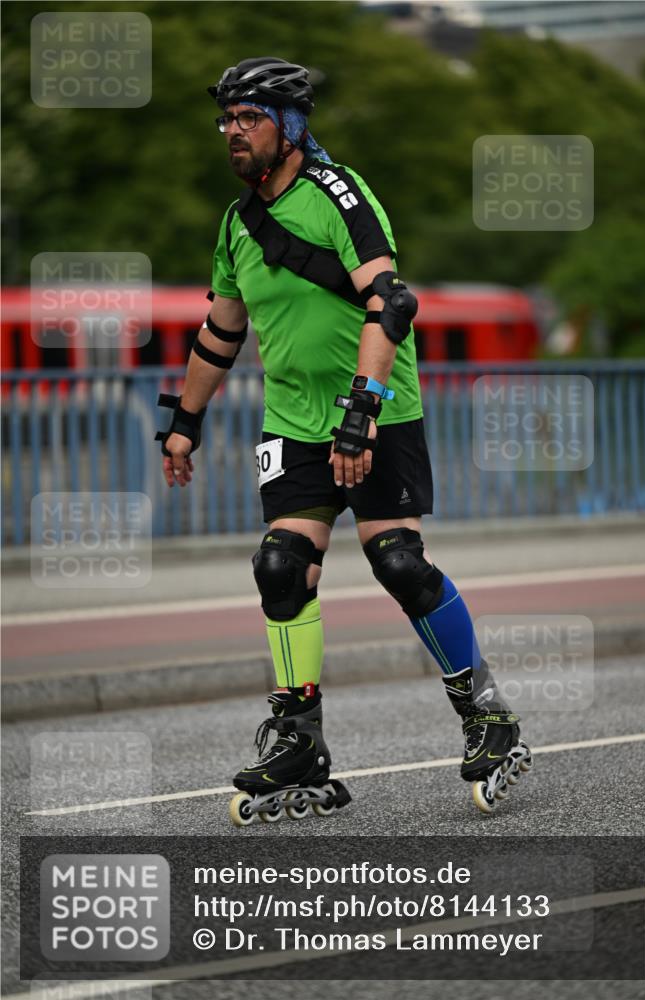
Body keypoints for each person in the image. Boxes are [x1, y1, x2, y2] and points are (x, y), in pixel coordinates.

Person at [156, 57, 531, 823]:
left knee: (398, 562)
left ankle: (486, 715)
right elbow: (220, 332)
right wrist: (184, 424)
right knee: (280, 565)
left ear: (290, 128)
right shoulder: (236, 223)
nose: (232, 132)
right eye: (226, 119)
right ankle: (298, 736)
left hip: (377, 412)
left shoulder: (340, 195)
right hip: (293, 422)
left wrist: (360, 413)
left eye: (249, 118)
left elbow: (390, 303)